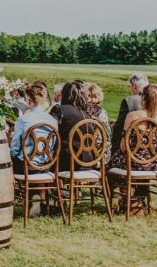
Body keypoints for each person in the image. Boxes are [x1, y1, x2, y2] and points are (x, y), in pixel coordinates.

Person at [107, 84, 157, 216]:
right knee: (130, 163)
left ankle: (128, 201)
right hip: (152, 165)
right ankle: (136, 201)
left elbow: (124, 146)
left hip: (131, 163)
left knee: (112, 163)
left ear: (143, 98)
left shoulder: (132, 116)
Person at [9, 83, 57, 216]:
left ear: (28, 101)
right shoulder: (53, 120)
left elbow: (14, 149)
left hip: (26, 166)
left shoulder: (23, 120)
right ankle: (39, 201)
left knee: (10, 161)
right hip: (46, 166)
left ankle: (20, 199)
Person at [50, 81, 97, 172]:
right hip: (90, 161)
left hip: (69, 162)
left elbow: (49, 132)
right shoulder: (87, 114)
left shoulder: (60, 110)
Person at [111, 73, 149, 156]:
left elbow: (119, 126)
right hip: (153, 152)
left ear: (134, 86)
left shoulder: (129, 101)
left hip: (132, 151)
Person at [84, 83, 112, 163]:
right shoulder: (102, 112)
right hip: (99, 154)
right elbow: (107, 136)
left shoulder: (79, 111)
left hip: (80, 154)